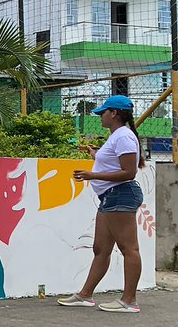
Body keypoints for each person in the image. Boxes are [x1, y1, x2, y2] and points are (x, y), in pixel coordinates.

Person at [57, 95, 146, 313]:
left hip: (120, 195)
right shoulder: (118, 136)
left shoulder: (123, 136)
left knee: (129, 248)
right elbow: (115, 163)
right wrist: (95, 154)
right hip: (110, 197)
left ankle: (129, 300)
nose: (100, 117)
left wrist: (92, 175)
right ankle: (85, 295)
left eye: (103, 113)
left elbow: (129, 172)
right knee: (101, 248)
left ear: (114, 113)